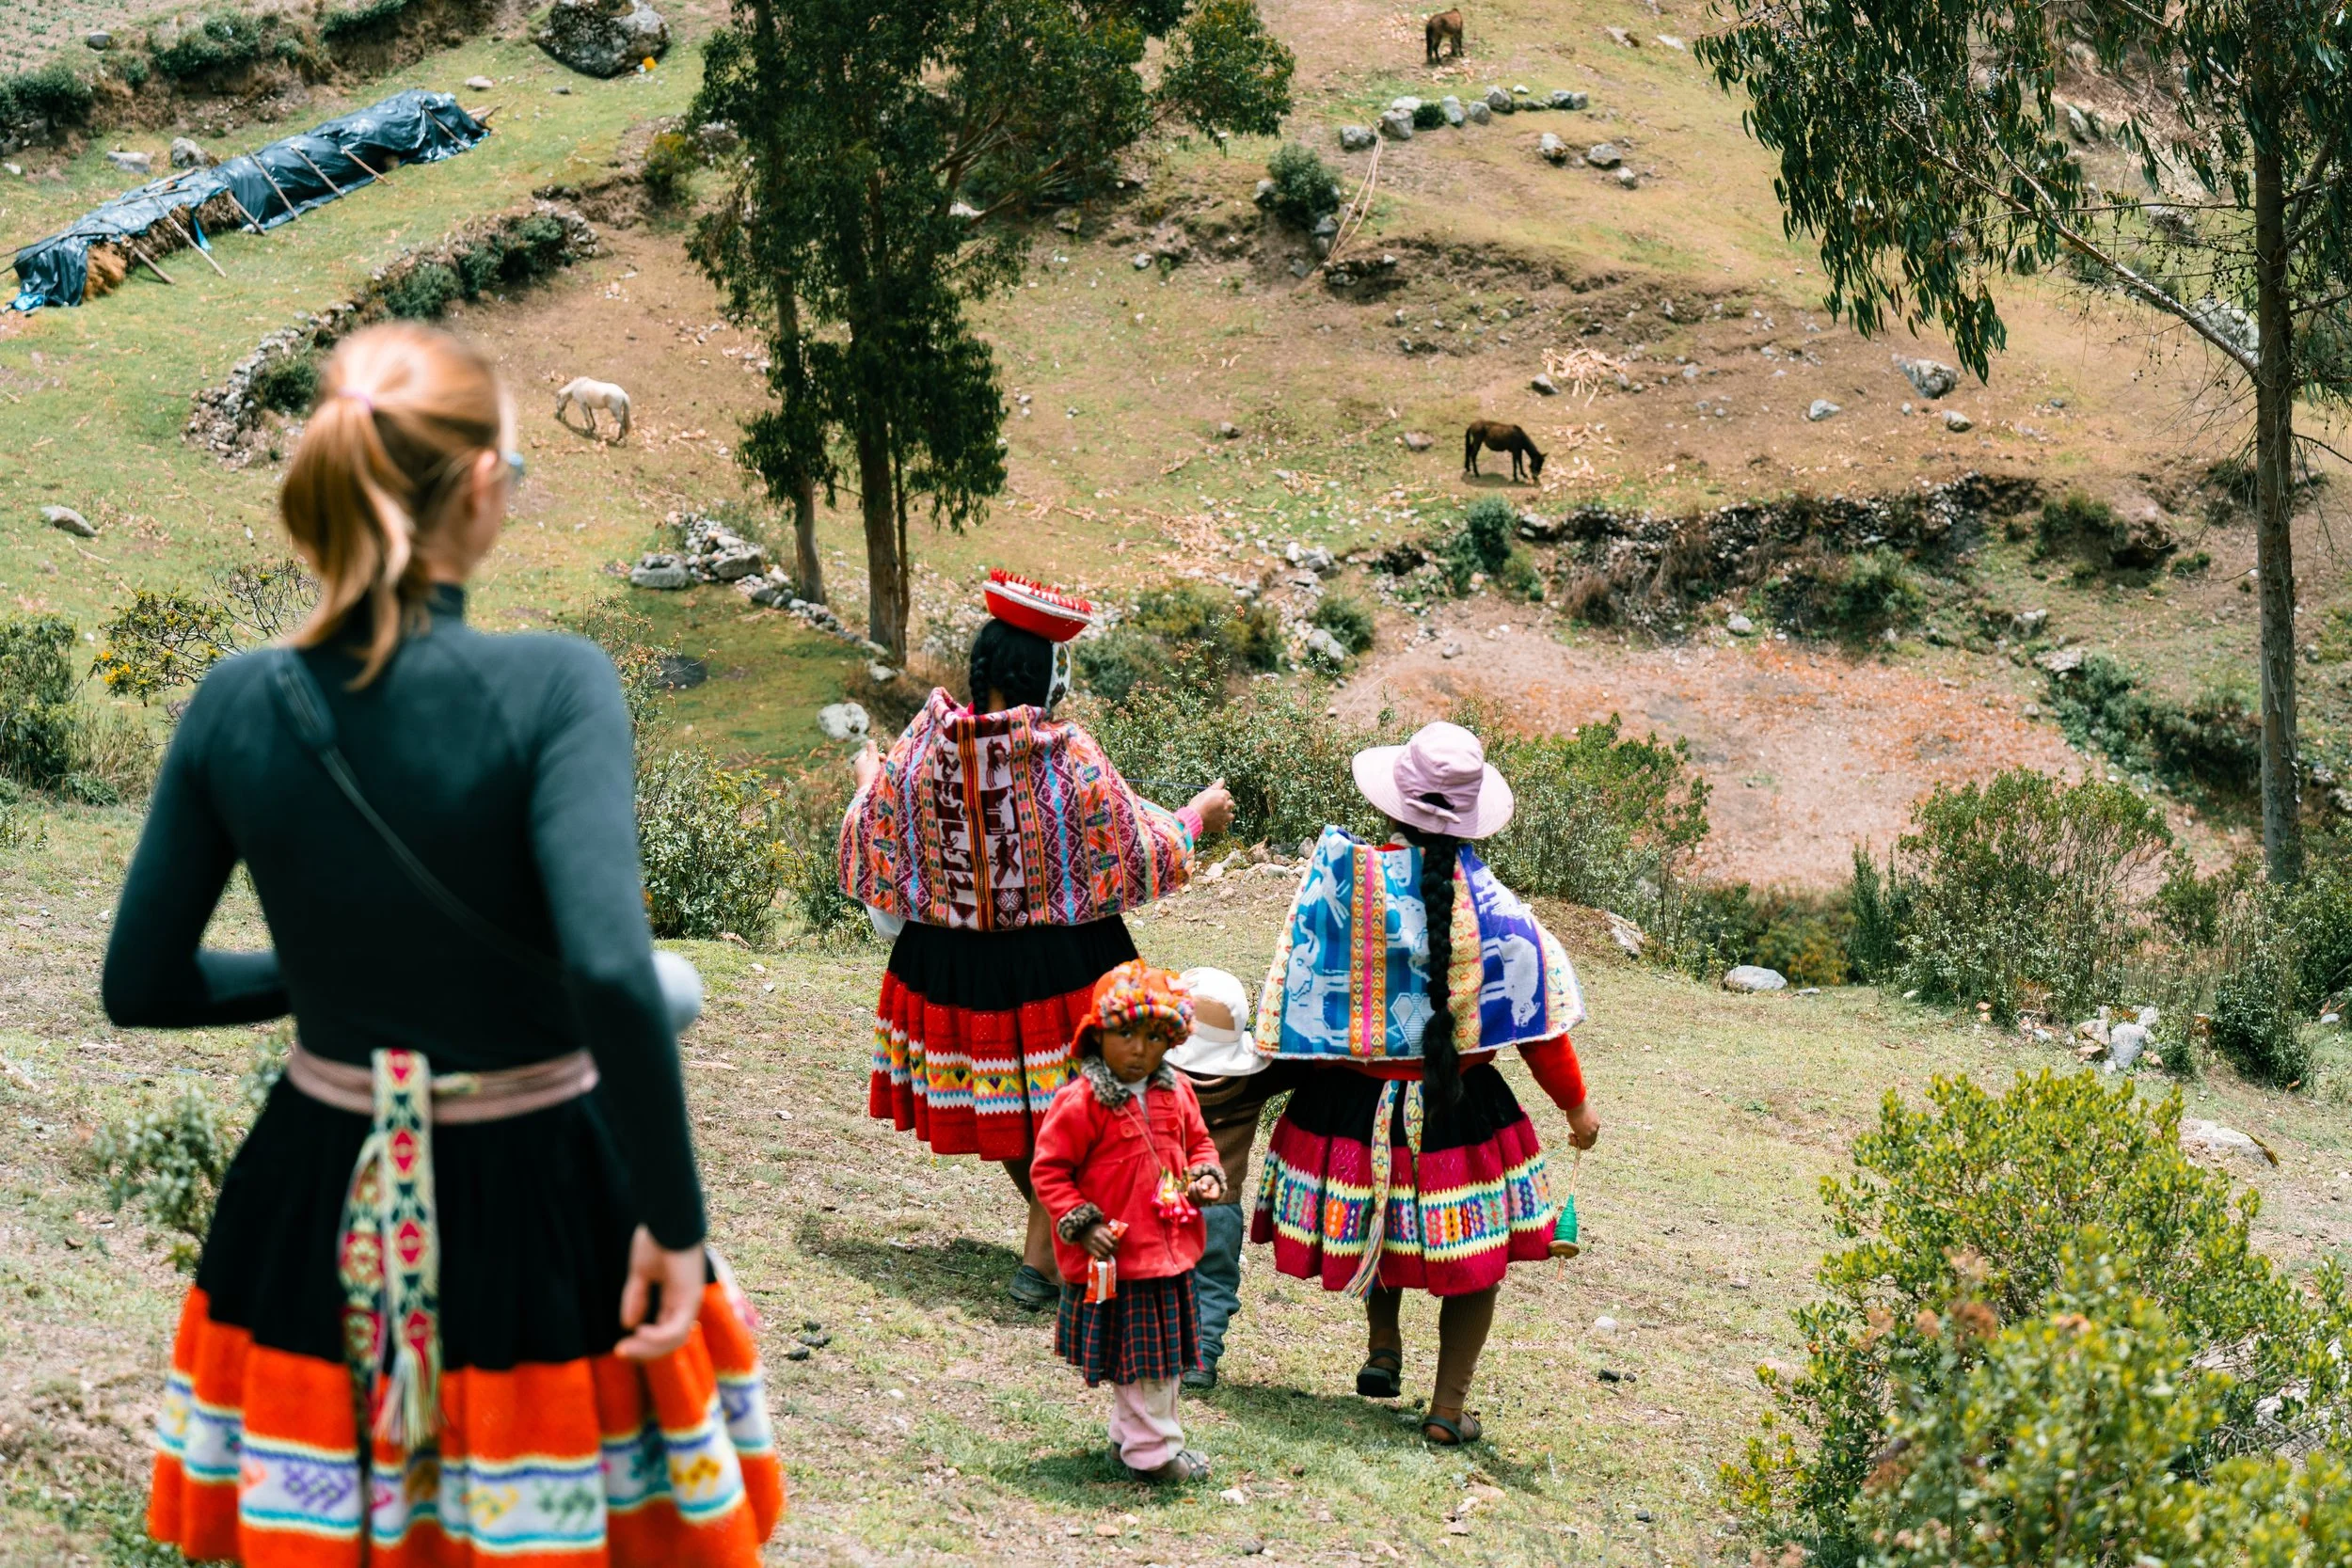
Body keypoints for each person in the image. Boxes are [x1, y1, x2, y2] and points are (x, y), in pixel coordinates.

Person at [105, 323, 783, 1564]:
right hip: (539, 1188)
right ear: (480, 489)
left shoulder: (233, 702)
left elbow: (140, 984)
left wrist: (322, 981)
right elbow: (612, 971)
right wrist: (675, 1224)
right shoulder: (557, 685)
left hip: (316, 1188)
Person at [840, 572, 1234, 1308]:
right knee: (1076, 1101)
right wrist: (1197, 817)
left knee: (1028, 1111)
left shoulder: (924, 747)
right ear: (1045, 681)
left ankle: (1044, 1254)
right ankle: (1060, 1245)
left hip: (955, 967)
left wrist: (868, 774)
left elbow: (872, 836)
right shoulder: (1067, 756)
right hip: (1061, 964)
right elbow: (1137, 849)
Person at [1248, 721, 1601, 1446]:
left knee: (1385, 1218)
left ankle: (1383, 1347)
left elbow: (1305, 1002)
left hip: (1353, 1104)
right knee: (1471, 1260)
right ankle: (1447, 1406)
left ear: (1391, 807)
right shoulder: (1501, 914)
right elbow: (1540, 1027)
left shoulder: (1346, 888)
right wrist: (1577, 1109)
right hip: (1461, 1109)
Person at [1028, 962, 1225, 1481]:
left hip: (1170, 1255)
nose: (1140, 1049)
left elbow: (1200, 1143)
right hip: (1119, 1259)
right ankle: (1154, 1455)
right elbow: (1049, 1170)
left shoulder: (1175, 1091)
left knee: (1155, 1362)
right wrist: (1081, 1222)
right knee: (1148, 1368)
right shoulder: (1081, 1101)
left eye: (1155, 1037)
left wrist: (1205, 1175)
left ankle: (1129, 1438)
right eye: (1126, 1034)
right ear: (1098, 1035)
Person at [1166, 966, 1296, 1390]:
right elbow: (1300, 1062)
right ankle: (1201, 1356)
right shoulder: (1255, 1078)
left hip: (1160, 1197)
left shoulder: (1156, 1074)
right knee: (1213, 1283)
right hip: (1221, 1206)